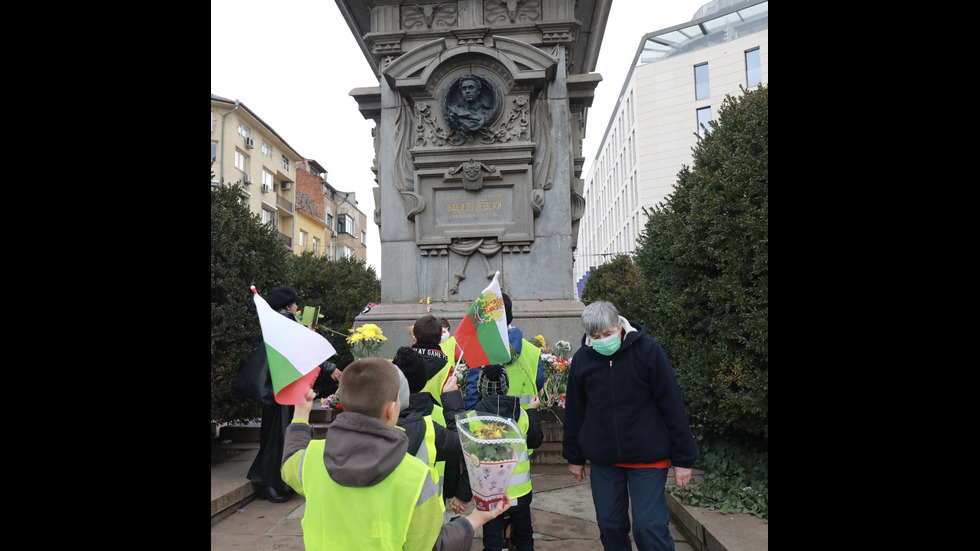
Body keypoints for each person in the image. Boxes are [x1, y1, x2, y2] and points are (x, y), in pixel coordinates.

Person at [280, 358, 511, 550]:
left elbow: (290, 462)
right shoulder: (416, 476)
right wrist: (478, 517)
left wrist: (300, 415)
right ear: (392, 410)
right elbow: (432, 545)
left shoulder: (312, 458)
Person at [562, 301, 697, 551]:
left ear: (619, 327)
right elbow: (575, 411)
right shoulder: (583, 359)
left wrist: (683, 459)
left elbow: (672, 405)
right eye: (596, 336)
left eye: (608, 334)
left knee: (649, 528)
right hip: (604, 459)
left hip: (648, 457)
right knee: (610, 525)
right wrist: (574, 456)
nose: (602, 340)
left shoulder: (649, 351)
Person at [245, 285, 336, 503]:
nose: (298, 307)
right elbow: (300, 351)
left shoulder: (282, 323)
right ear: (287, 306)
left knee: (274, 437)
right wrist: (310, 337)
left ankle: (268, 479)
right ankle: (272, 485)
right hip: (280, 389)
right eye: (295, 303)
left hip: (279, 389)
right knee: (277, 437)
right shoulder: (283, 323)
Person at [451, 364, 543, 551]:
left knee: (492, 543)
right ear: (507, 387)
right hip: (520, 494)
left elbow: (471, 464)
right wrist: (533, 411)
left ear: (480, 388)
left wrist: (461, 496)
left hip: (489, 496)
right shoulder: (522, 415)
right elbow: (535, 440)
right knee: (525, 538)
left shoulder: (471, 420)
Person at [392, 345, 466, 516]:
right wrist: (452, 398)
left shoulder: (373, 421)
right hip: (428, 517)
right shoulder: (432, 424)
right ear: (423, 380)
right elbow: (463, 442)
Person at [463, 293, 544, 410]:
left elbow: (473, 391)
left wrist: (472, 418)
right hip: (526, 419)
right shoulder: (533, 351)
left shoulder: (481, 349)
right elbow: (538, 382)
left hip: (491, 422)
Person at [412, 314, 455, 406]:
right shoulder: (447, 369)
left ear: (414, 339)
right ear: (440, 339)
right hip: (438, 418)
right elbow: (452, 403)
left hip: (403, 417)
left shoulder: (399, 364)